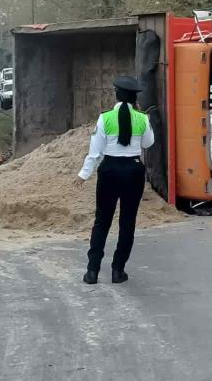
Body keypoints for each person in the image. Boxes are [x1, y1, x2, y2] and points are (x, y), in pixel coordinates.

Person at [75, 76, 154, 285]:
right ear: (134, 98)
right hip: (134, 171)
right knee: (127, 222)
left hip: (109, 170)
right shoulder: (142, 119)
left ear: (117, 95)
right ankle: (118, 271)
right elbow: (149, 142)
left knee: (102, 221)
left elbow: (95, 151)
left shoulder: (105, 118)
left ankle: (92, 271)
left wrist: (84, 174)